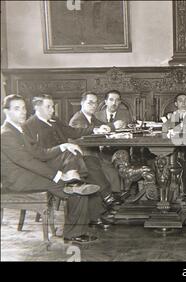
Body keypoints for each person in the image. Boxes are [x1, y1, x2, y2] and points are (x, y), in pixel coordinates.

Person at [1, 94, 110, 243]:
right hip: (20, 180)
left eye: (23, 108)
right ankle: (74, 232)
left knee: (76, 186)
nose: (23, 112)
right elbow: (28, 162)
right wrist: (58, 175)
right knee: (73, 189)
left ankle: (75, 186)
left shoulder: (18, 130)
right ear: (6, 111)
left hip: (29, 173)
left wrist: (62, 147)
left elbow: (39, 153)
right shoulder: (6, 134)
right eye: (17, 109)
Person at [22, 94, 122, 210]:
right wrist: (63, 147)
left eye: (53, 106)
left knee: (92, 161)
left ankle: (102, 204)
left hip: (67, 160)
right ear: (37, 108)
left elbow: (73, 132)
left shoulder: (54, 120)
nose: (52, 110)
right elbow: (37, 154)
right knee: (88, 168)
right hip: (50, 164)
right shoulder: (29, 125)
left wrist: (94, 130)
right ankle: (104, 201)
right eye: (48, 107)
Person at [69, 92, 124, 199]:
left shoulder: (92, 118)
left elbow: (102, 126)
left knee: (112, 168)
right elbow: (86, 134)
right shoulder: (78, 119)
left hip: (93, 155)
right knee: (108, 169)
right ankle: (109, 198)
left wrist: (114, 126)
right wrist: (112, 126)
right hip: (82, 158)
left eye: (95, 103)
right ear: (82, 103)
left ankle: (114, 198)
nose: (94, 105)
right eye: (90, 103)